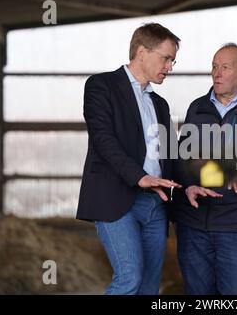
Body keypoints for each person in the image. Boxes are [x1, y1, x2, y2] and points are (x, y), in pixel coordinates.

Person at [76, 23, 182, 295]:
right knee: (129, 279)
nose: (170, 66)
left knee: (148, 288)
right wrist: (140, 176)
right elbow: (103, 140)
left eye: (173, 60)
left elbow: (172, 154)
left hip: (155, 205)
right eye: (166, 58)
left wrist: (188, 184)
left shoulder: (159, 104)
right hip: (115, 199)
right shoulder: (101, 86)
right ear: (142, 52)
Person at [172, 43, 237, 295]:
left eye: (226, 67)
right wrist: (188, 185)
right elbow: (181, 157)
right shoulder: (198, 108)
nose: (217, 73)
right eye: (214, 67)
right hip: (194, 222)